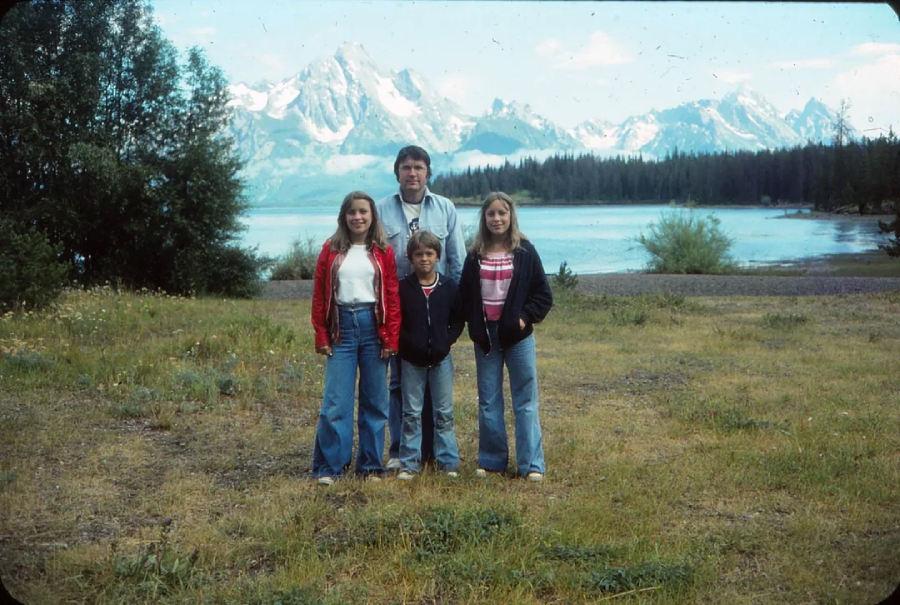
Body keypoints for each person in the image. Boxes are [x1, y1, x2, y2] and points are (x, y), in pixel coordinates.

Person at [377, 145, 465, 470]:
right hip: (399, 312)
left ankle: (433, 452)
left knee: (435, 390)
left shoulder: (445, 208)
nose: (412, 173)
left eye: (418, 167)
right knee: (400, 385)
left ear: (428, 172)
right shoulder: (381, 209)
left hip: (435, 307)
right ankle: (402, 452)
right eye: (406, 167)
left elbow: (456, 259)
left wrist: (455, 307)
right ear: (396, 171)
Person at [458, 191, 553, 481]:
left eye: (502, 213)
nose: (496, 219)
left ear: (511, 216)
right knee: (489, 400)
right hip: (486, 338)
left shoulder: (524, 251)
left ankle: (531, 464)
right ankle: (492, 461)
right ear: (483, 218)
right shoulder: (475, 255)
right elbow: (464, 297)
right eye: (491, 214)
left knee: (525, 399)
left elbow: (543, 295)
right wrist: (472, 324)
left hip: (519, 338)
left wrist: (524, 318)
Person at [310, 191, 400, 485]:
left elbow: (392, 296)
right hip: (341, 328)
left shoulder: (383, 251)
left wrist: (391, 338)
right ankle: (331, 467)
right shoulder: (331, 249)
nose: (358, 217)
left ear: (372, 216)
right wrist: (321, 333)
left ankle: (371, 465)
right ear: (343, 216)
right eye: (352, 212)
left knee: (375, 401)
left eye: (363, 212)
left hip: (374, 328)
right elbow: (320, 296)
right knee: (337, 402)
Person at [396, 230, 465, 480]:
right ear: (410, 258)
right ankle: (409, 463)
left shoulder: (448, 287)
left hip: (440, 359)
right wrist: (408, 345)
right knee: (411, 412)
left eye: (429, 253)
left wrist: (445, 342)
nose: (424, 259)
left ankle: (448, 462)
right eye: (418, 254)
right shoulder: (403, 288)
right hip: (411, 361)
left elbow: (458, 320)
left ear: (438, 256)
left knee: (444, 411)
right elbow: (397, 322)